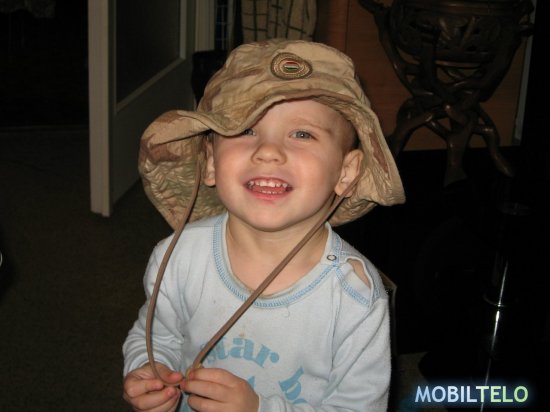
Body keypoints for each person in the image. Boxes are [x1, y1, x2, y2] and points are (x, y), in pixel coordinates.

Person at [122, 38, 405, 412]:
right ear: (211, 162)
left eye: (302, 134)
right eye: (245, 130)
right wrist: (148, 368)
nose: (268, 151)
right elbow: (157, 336)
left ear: (347, 172)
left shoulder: (354, 297)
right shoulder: (177, 258)